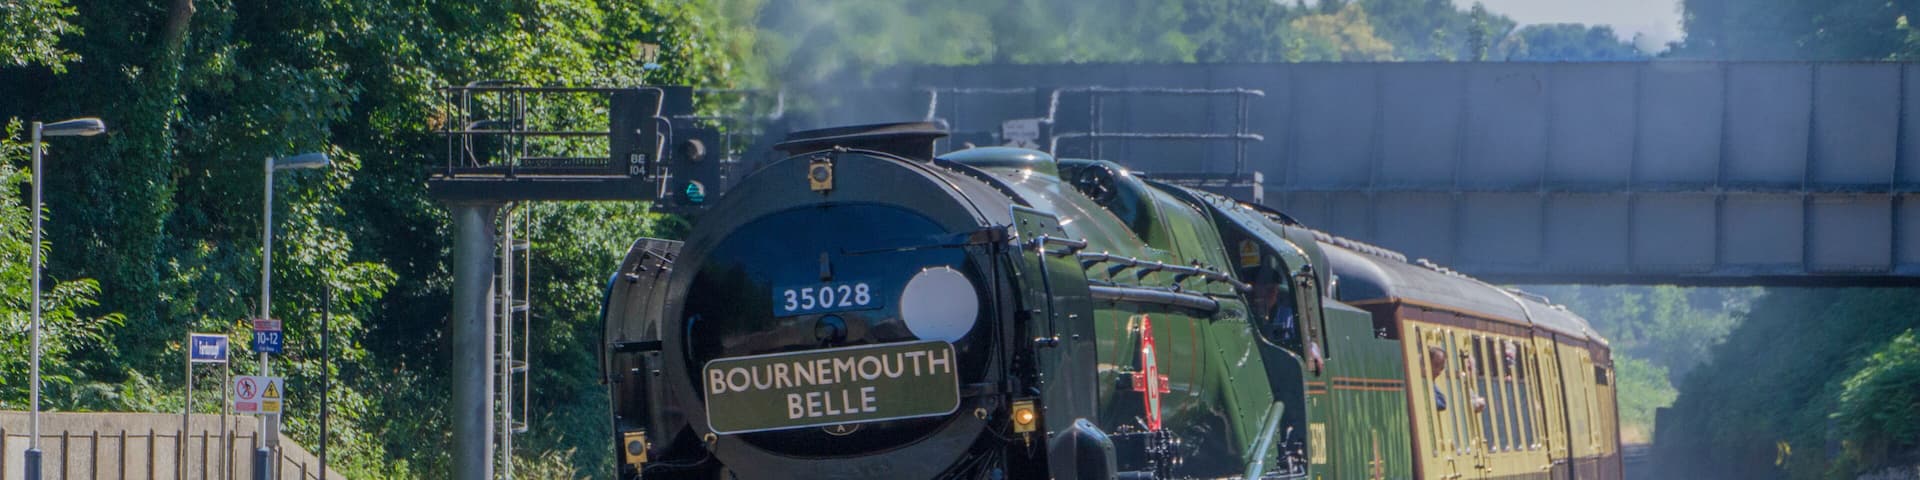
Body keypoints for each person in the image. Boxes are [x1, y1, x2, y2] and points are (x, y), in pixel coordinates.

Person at [1428, 346, 1449, 411]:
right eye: (1436, 365)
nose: (1438, 372)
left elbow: (1442, 403)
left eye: (1441, 369)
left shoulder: (1431, 384)